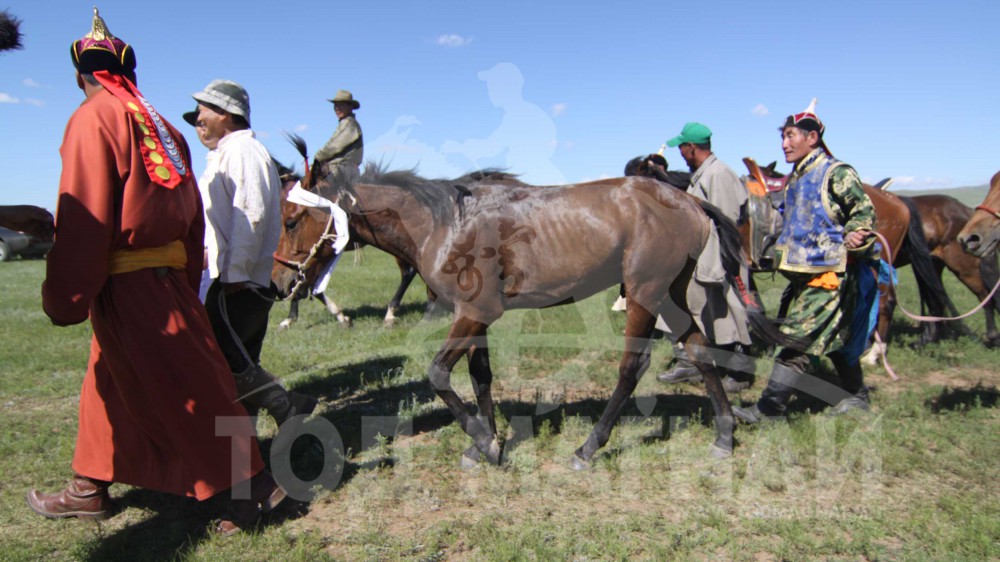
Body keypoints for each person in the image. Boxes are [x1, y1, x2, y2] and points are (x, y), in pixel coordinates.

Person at [27, 8, 282, 536]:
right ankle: (89, 487)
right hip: (164, 281)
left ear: (83, 75)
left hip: (129, 285)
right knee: (107, 382)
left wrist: (65, 294)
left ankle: (255, 490)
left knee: (189, 388)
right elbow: (191, 221)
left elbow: (86, 212)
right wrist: (184, 285)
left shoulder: (93, 117)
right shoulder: (166, 128)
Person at [733, 100, 879, 423]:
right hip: (802, 276)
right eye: (782, 137)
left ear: (812, 137)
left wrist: (856, 233)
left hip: (829, 276)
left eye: (790, 136)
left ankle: (770, 410)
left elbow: (864, 212)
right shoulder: (795, 179)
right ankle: (857, 396)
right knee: (837, 340)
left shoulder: (835, 172)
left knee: (795, 341)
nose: (784, 144)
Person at [183, 79, 318, 426]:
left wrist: (235, 273)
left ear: (226, 114)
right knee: (236, 360)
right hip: (229, 276)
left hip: (237, 280)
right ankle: (244, 446)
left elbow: (251, 213)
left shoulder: (243, 152)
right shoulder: (228, 154)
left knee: (228, 359)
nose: (197, 119)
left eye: (203, 111)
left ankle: (286, 405)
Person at [655, 122, 756, 393]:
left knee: (730, 312)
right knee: (698, 311)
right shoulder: (704, 174)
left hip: (720, 258)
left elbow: (727, 221)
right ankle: (692, 363)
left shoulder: (718, 174)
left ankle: (741, 373)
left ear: (691, 148)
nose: (680, 154)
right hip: (703, 256)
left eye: (682, 148)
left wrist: (720, 262)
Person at [312, 89, 363, 199]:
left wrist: (317, 158)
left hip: (344, 170)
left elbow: (333, 147)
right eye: (335, 105)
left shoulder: (350, 124)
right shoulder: (344, 123)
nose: (337, 108)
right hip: (339, 169)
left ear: (350, 107)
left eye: (341, 105)